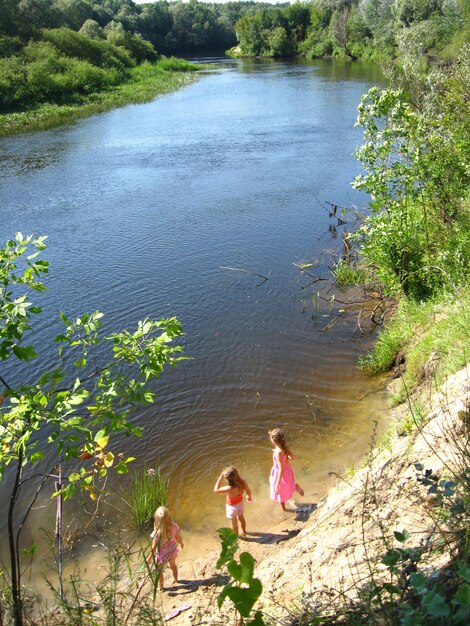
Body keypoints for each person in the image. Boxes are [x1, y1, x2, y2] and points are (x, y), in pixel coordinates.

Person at [146, 505, 184, 591]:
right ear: (170, 518)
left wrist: (149, 558)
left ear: (156, 521)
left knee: (159, 571)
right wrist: (181, 544)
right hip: (172, 551)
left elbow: (154, 548)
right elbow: (178, 537)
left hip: (161, 555)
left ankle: (161, 587)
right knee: (173, 566)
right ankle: (176, 579)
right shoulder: (174, 527)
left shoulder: (157, 534)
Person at [269, 428, 304, 511]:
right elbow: (293, 457)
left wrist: (277, 485)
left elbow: (280, 469)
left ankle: (284, 509)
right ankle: (295, 487)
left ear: (274, 440)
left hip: (280, 473)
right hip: (287, 471)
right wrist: (285, 457)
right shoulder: (284, 447)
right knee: (287, 486)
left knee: (280, 492)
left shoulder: (278, 452)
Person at [214, 466, 252, 536]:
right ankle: (244, 531)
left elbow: (216, 490)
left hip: (231, 508)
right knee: (241, 518)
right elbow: (248, 491)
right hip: (240, 505)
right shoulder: (243, 482)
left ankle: (236, 536)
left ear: (227, 479)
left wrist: (220, 477)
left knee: (234, 524)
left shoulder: (229, 488)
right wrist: (249, 496)